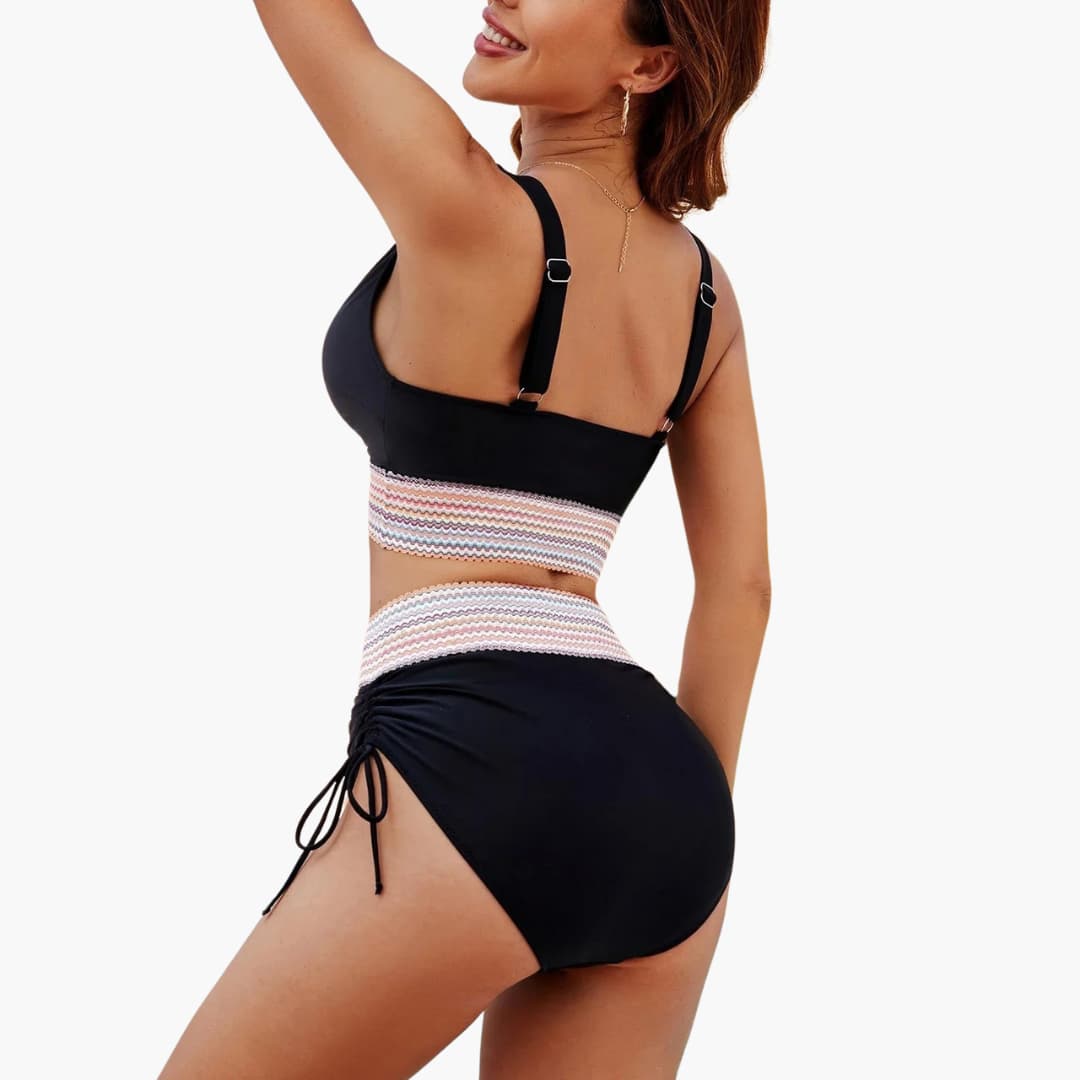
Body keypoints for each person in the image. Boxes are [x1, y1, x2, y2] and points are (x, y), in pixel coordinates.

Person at [160, 1, 771, 1076]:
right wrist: (685, 830)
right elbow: (742, 588)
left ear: (650, 64)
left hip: (480, 752)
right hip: (668, 806)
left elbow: (317, 27)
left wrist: (551, 794)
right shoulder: (707, 301)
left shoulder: (460, 202)